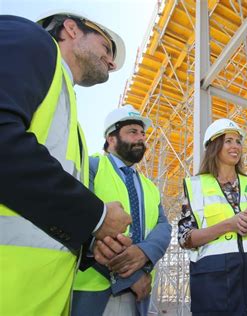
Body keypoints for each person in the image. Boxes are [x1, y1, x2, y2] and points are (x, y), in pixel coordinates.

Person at [0, 10, 131, 315]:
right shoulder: (30, 40)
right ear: (72, 28)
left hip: (38, 298)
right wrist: (96, 216)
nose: (111, 64)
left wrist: (91, 239)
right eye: (107, 48)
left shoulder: (69, 113)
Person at [71, 105, 172, 316]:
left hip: (137, 299)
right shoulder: (90, 167)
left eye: (143, 133)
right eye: (132, 132)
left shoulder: (150, 186)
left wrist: (144, 252)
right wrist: (132, 276)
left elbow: (163, 227)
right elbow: (78, 221)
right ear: (111, 138)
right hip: (92, 290)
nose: (141, 138)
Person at [177, 118, 247, 315]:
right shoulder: (195, 185)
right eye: (228, 140)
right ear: (214, 146)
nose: (235, 146)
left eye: (238, 141)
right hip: (214, 282)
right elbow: (184, 238)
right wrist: (228, 225)